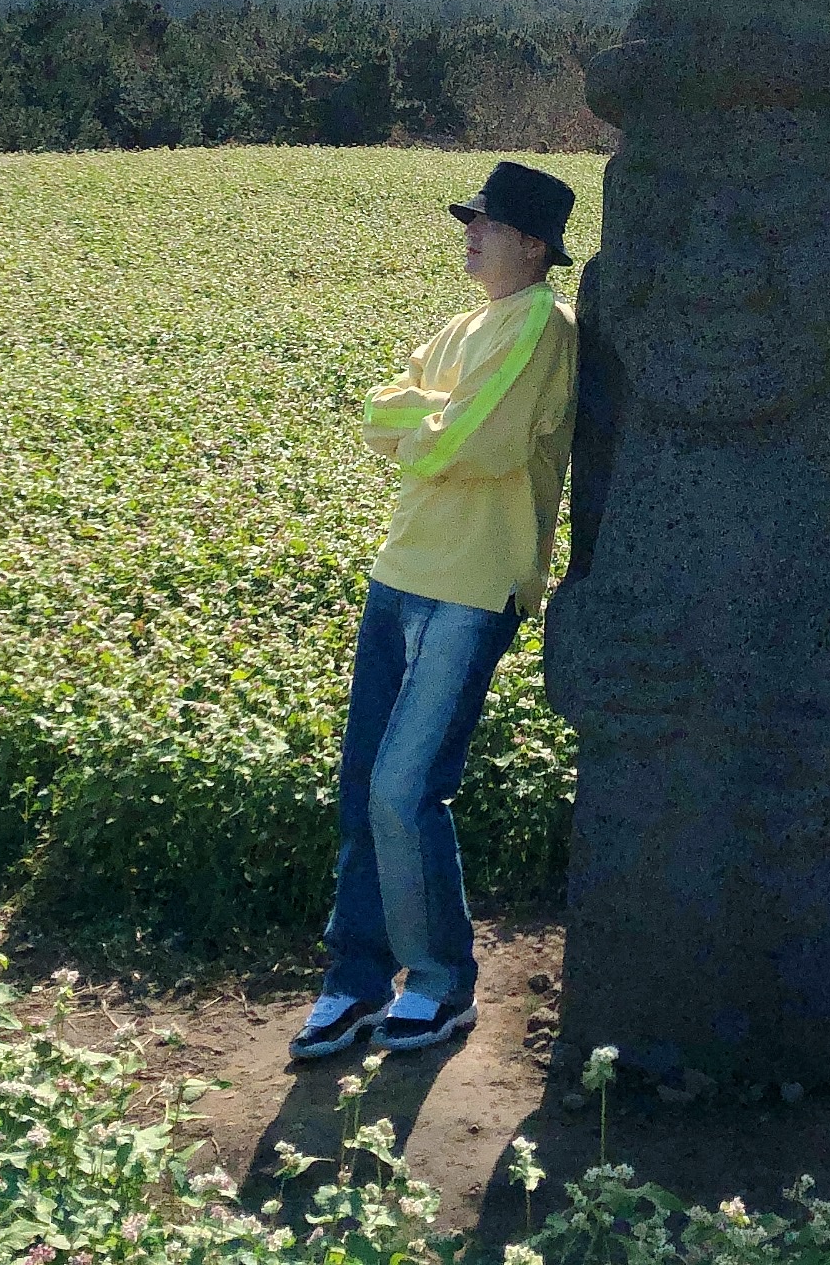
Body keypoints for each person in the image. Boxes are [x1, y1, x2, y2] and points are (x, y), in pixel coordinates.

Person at [289, 161, 579, 1061]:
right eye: (470, 221)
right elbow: (382, 412)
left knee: (404, 789)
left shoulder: (543, 325)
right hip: (402, 570)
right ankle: (355, 983)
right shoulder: (465, 326)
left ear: (532, 244)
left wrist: (428, 419)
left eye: (485, 224)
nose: (469, 234)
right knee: (363, 789)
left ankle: (442, 983)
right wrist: (432, 419)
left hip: (474, 582)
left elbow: (478, 441)